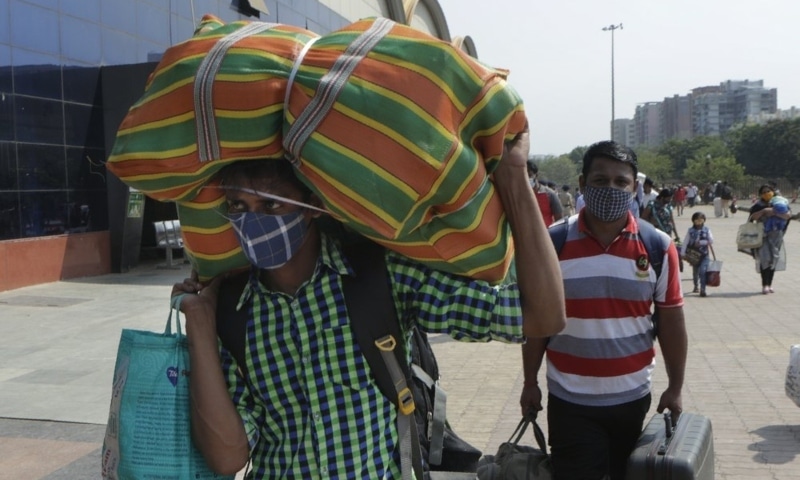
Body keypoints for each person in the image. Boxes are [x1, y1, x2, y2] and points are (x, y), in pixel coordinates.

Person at [170, 129, 566, 479]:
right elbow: (228, 458)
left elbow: (541, 315)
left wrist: (513, 178)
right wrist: (201, 327)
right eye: (238, 207)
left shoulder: (381, 279)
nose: (252, 222)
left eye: (271, 205)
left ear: (310, 206)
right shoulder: (233, 312)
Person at [519, 140, 687, 480]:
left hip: (633, 399)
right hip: (571, 401)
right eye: (600, 180)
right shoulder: (552, 244)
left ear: (634, 188)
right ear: (582, 184)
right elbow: (536, 323)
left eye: (620, 182)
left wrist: (676, 387)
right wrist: (529, 381)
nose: (610, 189)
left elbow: (671, 322)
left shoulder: (657, 246)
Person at [748, 184, 792, 294]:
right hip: (763, 236)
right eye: (764, 192)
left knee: (773, 259)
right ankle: (765, 284)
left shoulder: (780, 202)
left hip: (776, 235)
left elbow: (788, 216)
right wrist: (764, 211)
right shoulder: (759, 205)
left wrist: (774, 212)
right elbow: (752, 217)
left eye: (768, 191)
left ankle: (770, 283)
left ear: (773, 191)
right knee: (765, 259)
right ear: (760, 195)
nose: (767, 193)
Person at [680, 212, 714, 297]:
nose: (699, 223)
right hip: (694, 255)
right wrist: (682, 253)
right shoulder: (690, 231)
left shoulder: (707, 230)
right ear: (693, 221)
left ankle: (703, 289)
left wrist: (702, 242)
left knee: (703, 271)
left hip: (704, 255)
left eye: (701, 220)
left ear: (704, 220)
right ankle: (696, 285)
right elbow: (685, 242)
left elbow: (711, 240)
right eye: (697, 220)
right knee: (695, 272)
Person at [526, 160, 564, 226]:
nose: (526, 178)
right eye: (524, 175)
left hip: (547, 233)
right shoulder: (518, 195)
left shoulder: (550, 194)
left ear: (536, 175)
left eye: (529, 175)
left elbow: (559, 220)